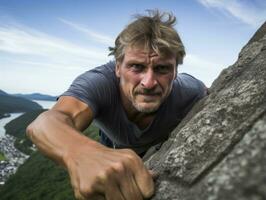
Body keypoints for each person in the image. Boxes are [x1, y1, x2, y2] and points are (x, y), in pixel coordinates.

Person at [27, 10, 207, 200]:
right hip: (112, 143)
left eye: (162, 68)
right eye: (137, 67)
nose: (149, 82)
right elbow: (45, 123)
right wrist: (82, 154)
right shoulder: (99, 83)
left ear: (176, 72)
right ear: (117, 68)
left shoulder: (189, 90)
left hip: (155, 145)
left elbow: (205, 88)